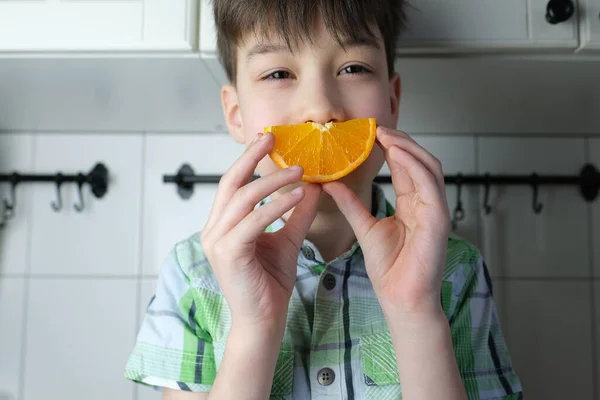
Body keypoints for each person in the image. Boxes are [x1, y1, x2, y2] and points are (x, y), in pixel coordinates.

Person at [125, 0, 523, 398]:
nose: (320, 110)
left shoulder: (456, 269)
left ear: (392, 101)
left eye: (353, 68)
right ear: (236, 115)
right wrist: (254, 327)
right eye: (279, 73)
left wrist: (417, 313)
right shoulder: (194, 272)